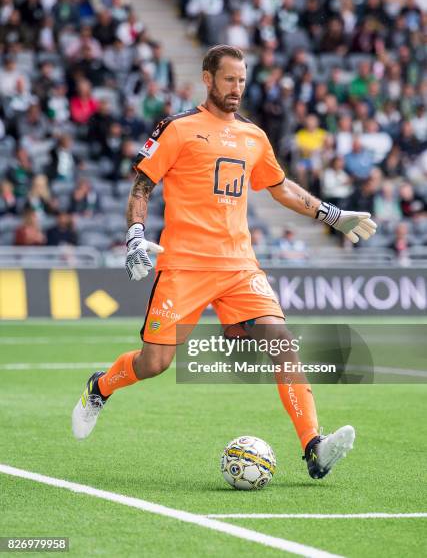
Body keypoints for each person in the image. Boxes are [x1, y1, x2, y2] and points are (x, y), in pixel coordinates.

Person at [72, 45, 376, 480]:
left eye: (242, 80)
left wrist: (332, 215)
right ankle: (100, 386)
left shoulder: (254, 136)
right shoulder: (177, 128)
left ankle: (314, 446)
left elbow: (281, 187)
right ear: (208, 79)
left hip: (238, 267)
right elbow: (141, 187)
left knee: (281, 342)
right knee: (154, 364)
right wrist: (135, 236)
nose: (237, 88)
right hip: (184, 267)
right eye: (229, 79)